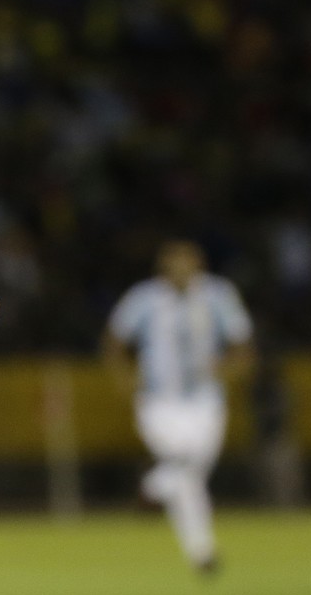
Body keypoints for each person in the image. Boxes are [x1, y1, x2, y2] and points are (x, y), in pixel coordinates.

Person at [102, 239, 253, 577]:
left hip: (205, 399)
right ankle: (202, 551)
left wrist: (229, 371)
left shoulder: (217, 296)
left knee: (189, 471)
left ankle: (154, 485)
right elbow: (114, 339)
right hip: (159, 401)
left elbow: (242, 344)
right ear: (164, 267)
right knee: (185, 467)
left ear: (199, 264)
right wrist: (125, 379)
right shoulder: (144, 298)